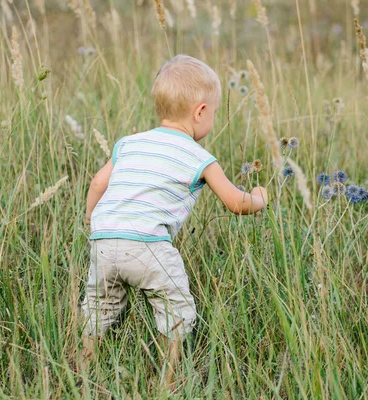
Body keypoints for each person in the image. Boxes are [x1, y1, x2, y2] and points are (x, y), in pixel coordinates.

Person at [81, 54, 268, 391]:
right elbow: (235, 203)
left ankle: (83, 363)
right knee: (176, 309)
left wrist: (91, 221)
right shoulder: (199, 157)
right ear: (200, 111)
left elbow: (97, 184)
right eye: (213, 112)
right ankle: (170, 378)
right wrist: (260, 196)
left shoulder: (129, 143)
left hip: (104, 240)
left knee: (99, 306)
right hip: (149, 247)